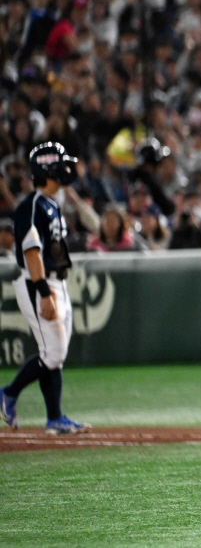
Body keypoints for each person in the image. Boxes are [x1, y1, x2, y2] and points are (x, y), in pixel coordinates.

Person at [0, 142, 91, 435]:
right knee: (51, 353)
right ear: (47, 170)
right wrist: (42, 291)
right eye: (61, 165)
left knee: (56, 354)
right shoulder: (32, 205)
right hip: (37, 281)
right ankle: (9, 393)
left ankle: (55, 419)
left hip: (56, 281)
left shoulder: (52, 203)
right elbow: (31, 251)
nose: (67, 169)